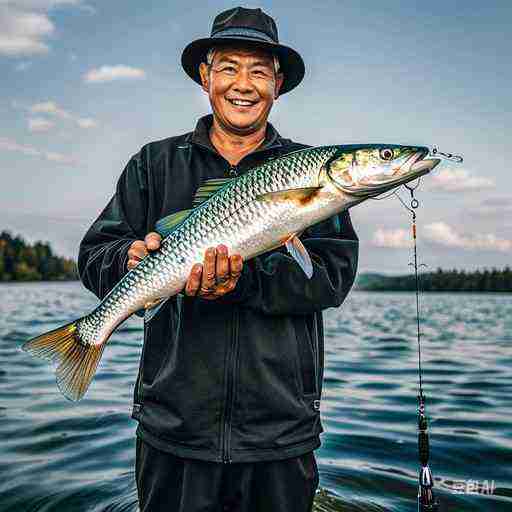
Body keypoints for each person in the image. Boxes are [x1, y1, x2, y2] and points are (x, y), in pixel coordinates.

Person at [78, 6, 359, 512]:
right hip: (174, 429)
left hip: (279, 430)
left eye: (258, 70)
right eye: (229, 67)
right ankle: (85, 337)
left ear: (278, 83)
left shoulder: (310, 170)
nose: (243, 84)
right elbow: (95, 254)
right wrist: (129, 259)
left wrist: (245, 283)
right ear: (206, 77)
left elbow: (332, 279)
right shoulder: (153, 164)